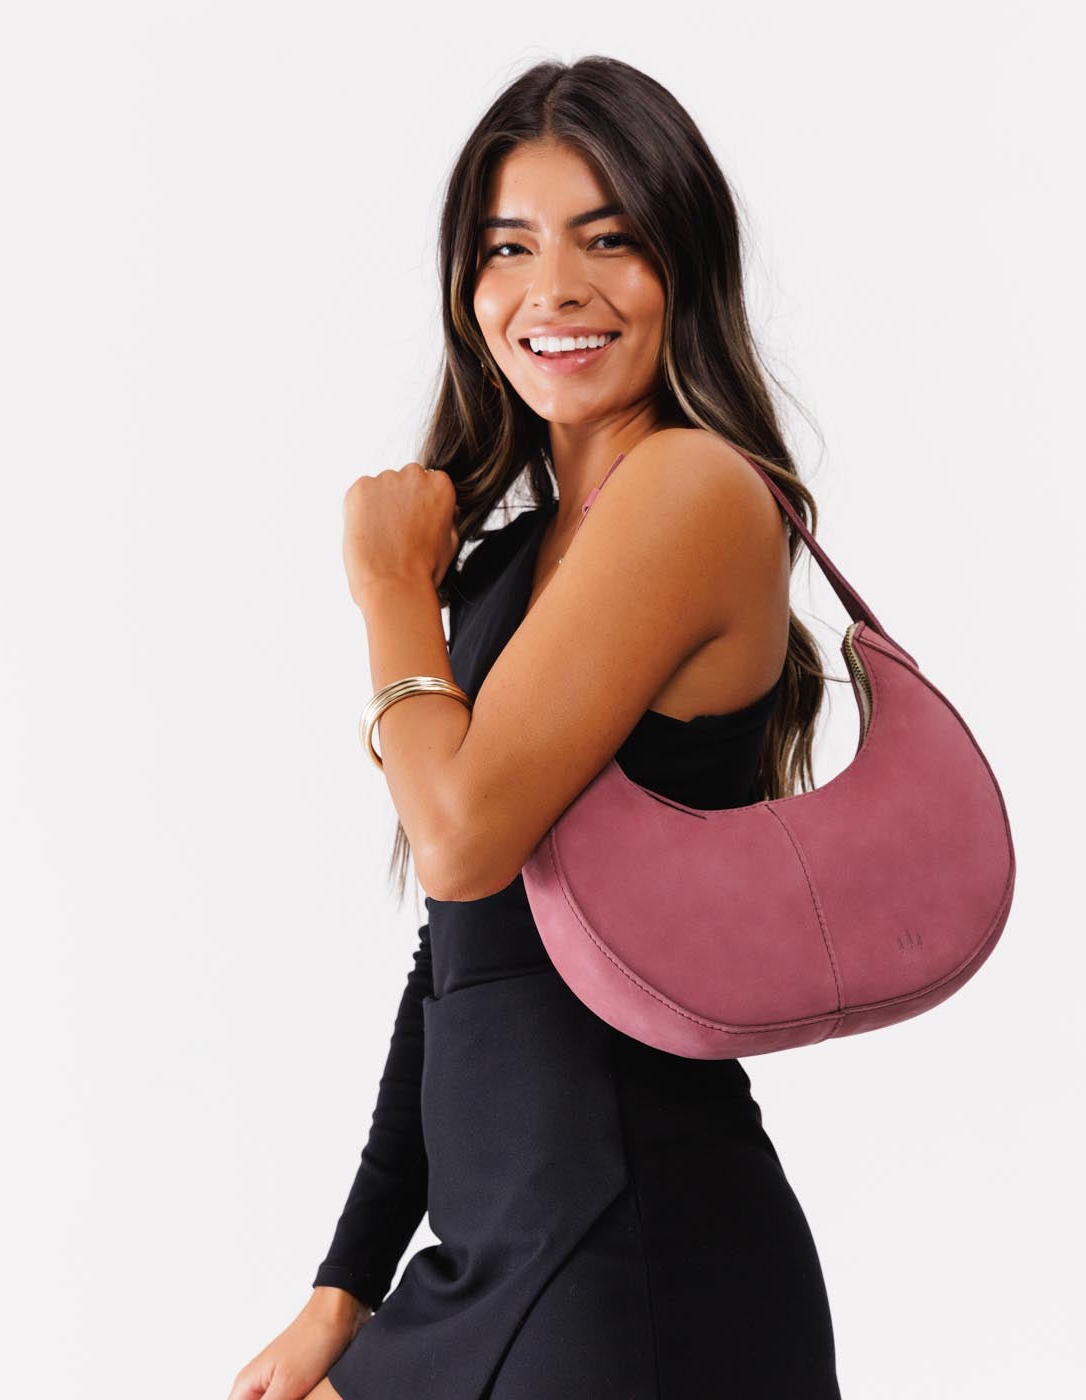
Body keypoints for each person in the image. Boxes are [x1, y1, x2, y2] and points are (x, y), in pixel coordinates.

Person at [230, 54, 843, 1400]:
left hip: (638, 1263)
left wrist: (389, 586)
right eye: (509, 247)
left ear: (684, 262)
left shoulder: (690, 489)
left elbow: (457, 843)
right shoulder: (516, 562)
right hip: (500, 1260)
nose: (552, 290)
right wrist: (344, 1289)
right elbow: (459, 961)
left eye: (607, 239)